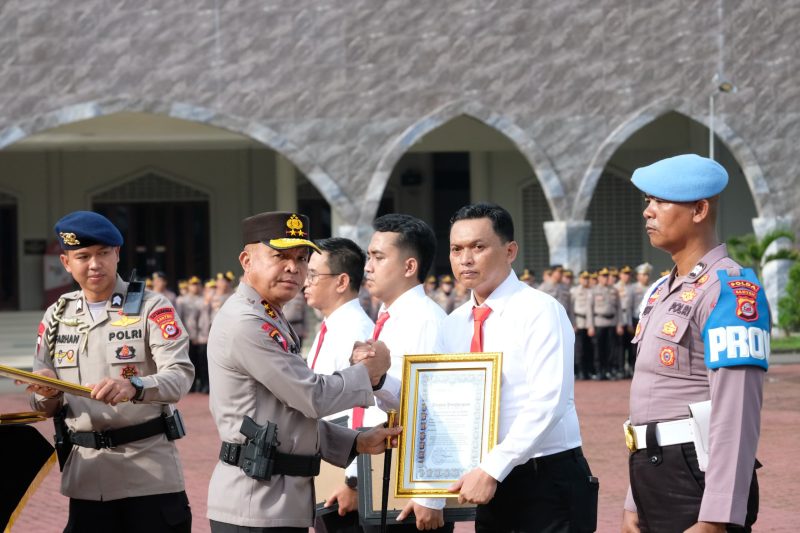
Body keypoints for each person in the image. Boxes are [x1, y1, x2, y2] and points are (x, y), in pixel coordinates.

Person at [206, 211, 400, 532]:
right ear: (246, 260)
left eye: (301, 258)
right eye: (280, 256)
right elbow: (311, 396)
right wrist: (369, 373)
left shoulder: (269, 315)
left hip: (273, 498)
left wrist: (356, 442)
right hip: (255, 503)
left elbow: (285, 417)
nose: (293, 267)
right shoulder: (247, 322)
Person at [622, 154, 767, 532]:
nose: (648, 212)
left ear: (700, 210)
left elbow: (737, 412)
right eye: (647, 201)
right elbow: (653, 397)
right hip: (653, 470)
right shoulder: (663, 289)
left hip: (695, 476)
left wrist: (717, 516)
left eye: (660, 201)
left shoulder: (729, 290)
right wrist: (634, 497)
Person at [26, 210, 195, 532]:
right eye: (83, 256)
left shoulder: (151, 307)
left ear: (117, 254)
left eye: (103, 253)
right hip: (87, 479)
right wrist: (46, 393)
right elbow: (41, 404)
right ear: (66, 262)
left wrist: (135, 386)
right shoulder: (56, 316)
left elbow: (180, 375)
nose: (95, 264)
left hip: (149, 475)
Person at [440, 203, 597, 532]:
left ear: (510, 251)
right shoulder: (453, 324)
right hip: (489, 479)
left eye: (478, 247)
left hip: (545, 478)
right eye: (456, 249)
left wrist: (493, 467)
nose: (465, 259)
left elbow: (549, 401)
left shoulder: (540, 310)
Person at [358, 214, 451, 531]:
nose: (368, 267)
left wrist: (429, 493)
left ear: (409, 266)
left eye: (378, 257)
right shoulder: (390, 315)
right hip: (387, 471)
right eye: (369, 257)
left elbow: (434, 407)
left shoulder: (424, 320)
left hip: (412, 486)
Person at [302, 237, 376, 530]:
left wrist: (354, 480)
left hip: (343, 476)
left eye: (313, 275)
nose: (305, 283)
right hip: (326, 466)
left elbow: (370, 409)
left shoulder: (356, 332)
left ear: (342, 281)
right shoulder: (331, 326)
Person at [592, 267, 624, 380]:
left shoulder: (614, 290)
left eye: (607, 276)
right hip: (599, 322)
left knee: (611, 349)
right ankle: (599, 371)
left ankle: (609, 370)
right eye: (603, 276)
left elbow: (619, 308)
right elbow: (589, 309)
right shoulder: (594, 290)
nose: (606, 278)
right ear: (599, 277)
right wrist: (590, 326)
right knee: (599, 349)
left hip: (612, 322)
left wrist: (619, 324)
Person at [571, 271, 596, 380]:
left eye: (587, 278)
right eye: (583, 278)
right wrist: (573, 323)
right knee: (579, 349)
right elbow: (571, 308)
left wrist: (591, 325)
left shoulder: (592, 291)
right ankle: (579, 371)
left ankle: (588, 371)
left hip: (590, 323)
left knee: (589, 348)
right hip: (578, 322)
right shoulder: (574, 291)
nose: (586, 280)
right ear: (580, 279)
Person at [617, 266, 637, 378]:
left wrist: (630, 323)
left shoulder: (632, 288)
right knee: (619, 347)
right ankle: (620, 369)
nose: (627, 276)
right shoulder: (615, 287)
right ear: (620, 275)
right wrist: (618, 323)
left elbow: (632, 307)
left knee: (631, 346)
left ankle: (630, 368)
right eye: (624, 273)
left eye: (628, 274)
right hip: (619, 319)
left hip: (630, 318)